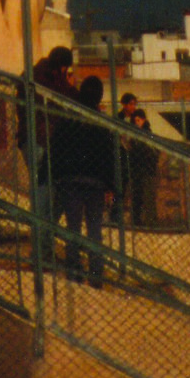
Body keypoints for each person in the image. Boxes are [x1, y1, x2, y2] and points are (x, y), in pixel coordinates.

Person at [50, 73, 115, 285]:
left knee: (73, 229)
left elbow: (56, 148)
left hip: (70, 180)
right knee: (95, 230)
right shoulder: (101, 122)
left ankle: (74, 274)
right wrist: (111, 185)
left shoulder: (68, 118)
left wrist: (56, 176)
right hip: (95, 182)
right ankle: (96, 276)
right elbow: (109, 156)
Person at [119, 94, 158, 226]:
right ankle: (137, 221)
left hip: (146, 170)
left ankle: (150, 222)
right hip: (136, 170)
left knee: (148, 197)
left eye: (139, 120)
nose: (138, 123)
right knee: (136, 197)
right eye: (135, 120)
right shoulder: (133, 135)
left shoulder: (148, 134)